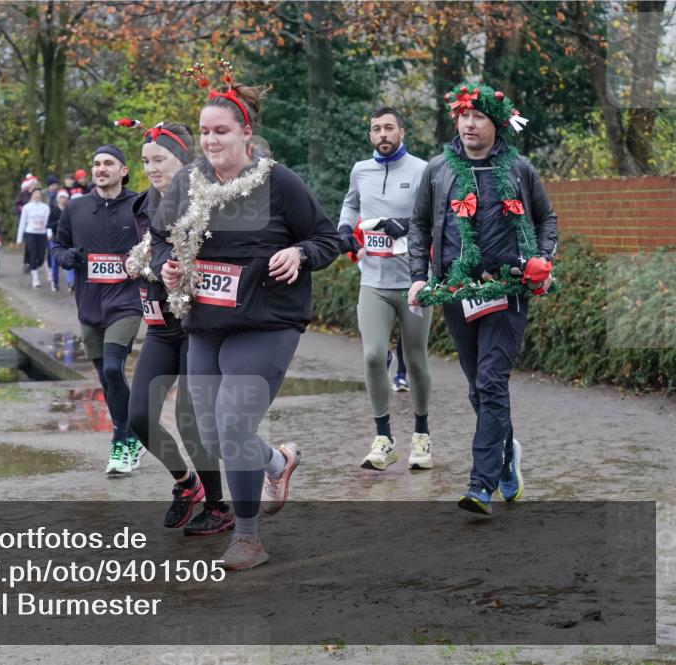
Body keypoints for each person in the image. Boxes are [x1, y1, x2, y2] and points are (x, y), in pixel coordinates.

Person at [151, 62, 340, 569]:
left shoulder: (278, 181)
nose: (210, 141)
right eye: (205, 131)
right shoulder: (188, 182)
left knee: (233, 427)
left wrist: (299, 254)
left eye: (221, 131)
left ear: (245, 132)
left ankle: (249, 537)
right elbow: (157, 240)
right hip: (207, 323)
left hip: (268, 320)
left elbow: (328, 237)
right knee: (209, 435)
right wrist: (166, 267)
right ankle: (278, 462)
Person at [407, 83, 557, 515]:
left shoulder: (520, 169)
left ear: (497, 123)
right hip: (457, 292)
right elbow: (418, 225)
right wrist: (419, 277)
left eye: (479, 118)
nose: (469, 124)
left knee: (492, 383)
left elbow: (546, 218)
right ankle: (507, 454)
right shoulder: (438, 169)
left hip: (508, 289)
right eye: (463, 116)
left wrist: (542, 260)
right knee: (478, 388)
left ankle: (481, 484)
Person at [120, 118, 231, 535]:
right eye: (146, 160)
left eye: (160, 159)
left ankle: (220, 506)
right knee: (138, 415)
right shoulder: (142, 206)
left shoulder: (206, 197)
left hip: (198, 324)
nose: (151, 168)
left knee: (191, 418)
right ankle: (187, 485)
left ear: (183, 159)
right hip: (160, 325)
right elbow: (140, 255)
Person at [337, 106, 432, 471]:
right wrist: (345, 229)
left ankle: (422, 435)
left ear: (402, 132)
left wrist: (405, 225)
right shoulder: (361, 170)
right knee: (374, 356)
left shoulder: (422, 170)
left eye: (389, 128)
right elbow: (350, 204)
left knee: (417, 359)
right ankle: (384, 437)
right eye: (376, 129)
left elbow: (434, 218)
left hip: (414, 282)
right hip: (373, 280)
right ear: (370, 135)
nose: (382, 135)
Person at [51, 146, 145, 474]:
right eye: (96, 164)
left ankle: (121, 439)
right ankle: (132, 434)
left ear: (124, 170)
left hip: (127, 302)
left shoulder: (140, 205)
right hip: (89, 305)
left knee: (113, 370)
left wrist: (142, 261)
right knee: (106, 378)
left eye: (108, 163)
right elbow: (58, 245)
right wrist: (65, 257)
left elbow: (157, 243)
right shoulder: (75, 208)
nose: (101, 168)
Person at [16, 187, 50, 288]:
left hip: (42, 234)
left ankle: (36, 266)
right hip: (30, 233)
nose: (37, 195)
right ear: (32, 195)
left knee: (40, 257)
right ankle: (35, 279)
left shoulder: (45, 207)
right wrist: (19, 239)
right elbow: (22, 222)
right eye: (35, 193)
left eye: (39, 193)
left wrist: (48, 233)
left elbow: (47, 222)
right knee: (33, 255)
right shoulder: (27, 207)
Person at [47, 189, 73, 292]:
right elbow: (48, 225)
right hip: (55, 239)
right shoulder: (54, 211)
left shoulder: (69, 211)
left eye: (65, 197)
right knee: (55, 262)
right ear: (58, 199)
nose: (63, 199)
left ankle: (71, 283)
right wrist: (49, 234)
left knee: (69, 259)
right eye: (61, 197)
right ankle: (55, 282)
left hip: (67, 240)